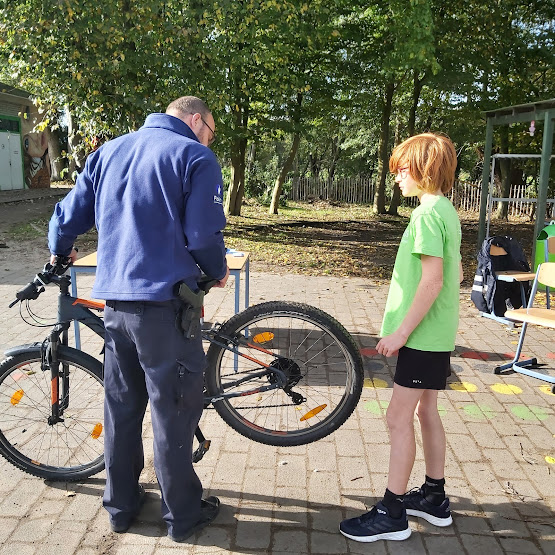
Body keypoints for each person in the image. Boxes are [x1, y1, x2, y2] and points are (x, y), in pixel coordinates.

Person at [48, 96, 230, 542]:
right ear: (194, 118)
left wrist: (61, 247)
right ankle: (182, 518)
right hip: (165, 310)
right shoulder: (195, 156)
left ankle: (121, 508)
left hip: (115, 308)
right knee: (174, 412)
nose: (209, 137)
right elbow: (203, 233)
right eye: (210, 128)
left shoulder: (107, 152)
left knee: (122, 409)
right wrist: (218, 269)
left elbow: (67, 215)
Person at [340, 133, 463, 543]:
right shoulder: (445, 210)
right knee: (427, 411)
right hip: (437, 333)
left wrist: (401, 332)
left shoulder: (426, 215)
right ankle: (433, 496)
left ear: (425, 170)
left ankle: (392, 513)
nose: (396, 177)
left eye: (402, 169)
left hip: (422, 337)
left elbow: (433, 281)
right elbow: (453, 277)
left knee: (397, 418)